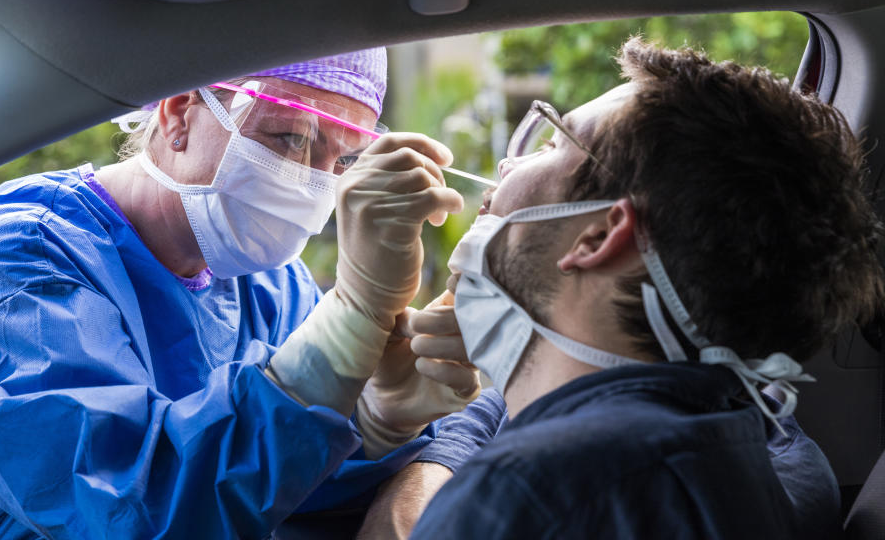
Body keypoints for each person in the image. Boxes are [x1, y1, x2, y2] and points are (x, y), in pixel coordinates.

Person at [0, 49, 483, 538]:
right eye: (290, 138)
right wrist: (346, 325)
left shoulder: (270, 283)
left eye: (339, 160)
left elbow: (271, 496)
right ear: (177, 114)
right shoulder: (19, 260)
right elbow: (132, 515)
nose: (316, 181)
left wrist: (376, 424)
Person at [363, 38, 884, 539]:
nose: (506, 165)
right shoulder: (744, 448)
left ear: (599, 235)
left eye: (547, 144)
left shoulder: (536, 490)